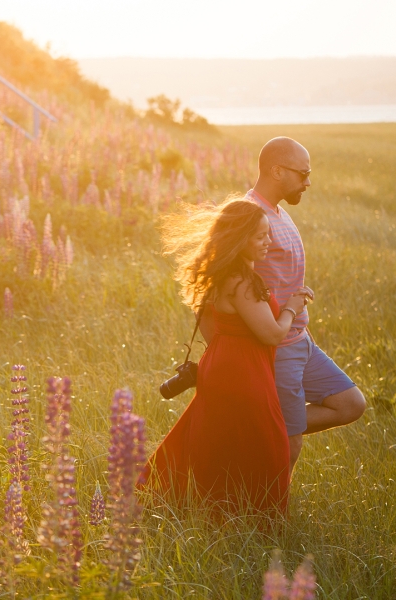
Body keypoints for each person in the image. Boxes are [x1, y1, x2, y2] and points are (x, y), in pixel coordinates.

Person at [141, 198, 310, 513]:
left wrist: (228, 349)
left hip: (220, 366)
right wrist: (292, 308)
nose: (268, 242)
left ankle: (213, 512)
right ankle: (259, 520)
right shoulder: (242, 281)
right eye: (260, 236)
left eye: (268, 234)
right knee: (269, 445)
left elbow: (209, 327)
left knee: (220, 444)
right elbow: (273, 333)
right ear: (240, 239)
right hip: (245, 373)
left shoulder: (217, 276)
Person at [246, 136, 366, 476]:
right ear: (277, 170)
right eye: (303, 173)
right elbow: (234, 284)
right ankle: (270, 519)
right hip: (279, 346)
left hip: (301, 341)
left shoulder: (278, 212)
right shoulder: (251, 216)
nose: (308, 182)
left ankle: (270, 425)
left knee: (350, 404)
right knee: (291, 445)